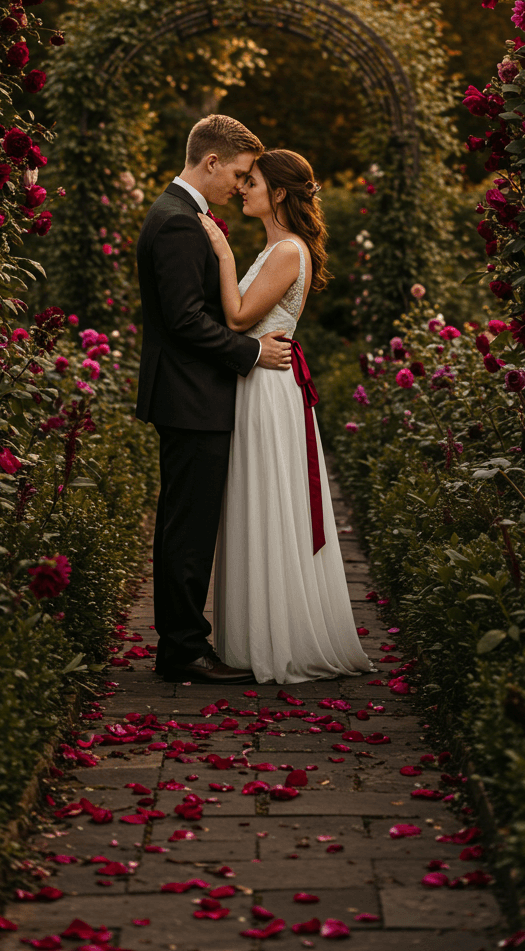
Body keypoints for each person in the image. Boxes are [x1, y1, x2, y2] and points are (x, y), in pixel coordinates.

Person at [198, 149, 373, 684]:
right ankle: (257, 634)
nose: (242, 189)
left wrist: (224, 257)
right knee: (257, 499)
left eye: (251, 182)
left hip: (269, 388)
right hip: (258, 380)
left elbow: (239, 315)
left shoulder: (287, 251)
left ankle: (282, 636)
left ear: (277, 193)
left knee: (269, 498)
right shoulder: (276, 247)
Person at [136, 114, 293, 685]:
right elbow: (183, 320)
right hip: (189, 394)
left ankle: (182, 643)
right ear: (211, 162)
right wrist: (250, 354)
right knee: (188, 526)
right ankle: (182, 649)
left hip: (190, 393)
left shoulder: (181, 215)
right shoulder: (178, 222)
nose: (241, 185)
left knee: (189, 522)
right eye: (240, 173)